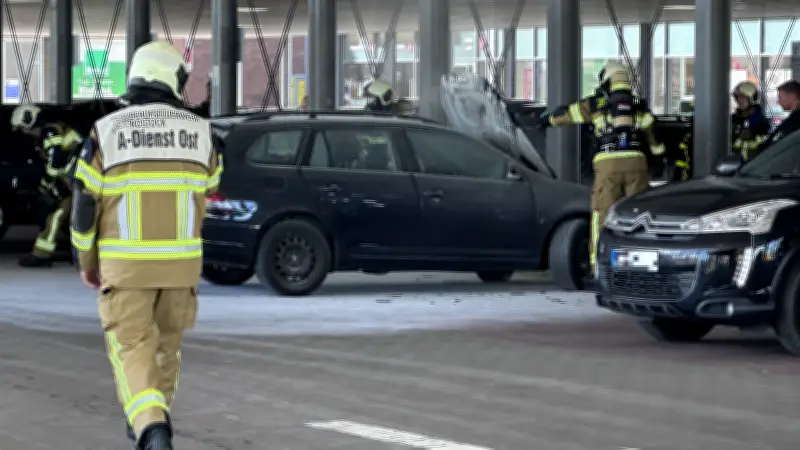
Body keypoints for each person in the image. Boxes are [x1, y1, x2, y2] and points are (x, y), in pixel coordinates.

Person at [70, 40, 222, 450]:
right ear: (172, 77)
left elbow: (84, 207)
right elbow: (210, 188)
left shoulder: (106, 132)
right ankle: (150, 420)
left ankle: (151, 427)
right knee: (166, 350)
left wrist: (86, 260)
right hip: (181, 270)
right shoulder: (202, 133)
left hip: (127, 270)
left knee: (133, 350)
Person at [537, 61, 665, 275]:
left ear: (606, 81)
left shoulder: (594, 104)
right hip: (637, 164)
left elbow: (567, 115)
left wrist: (547, 120)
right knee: (637, 213)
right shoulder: (639, 107)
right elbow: (654, 137)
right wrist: (659, 158)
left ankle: (598, 265)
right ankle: (640, 264)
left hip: (608, 164)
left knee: (601, 214)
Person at [10, 104, 84, 267]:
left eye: (23, 128)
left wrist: (48, 184)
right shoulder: (52, 130)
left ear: (29, 121)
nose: (24, 132)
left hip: (80, 181)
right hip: (76, 180)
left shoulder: (49, 132)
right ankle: (71, 255)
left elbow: (57, 159)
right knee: (64, 216)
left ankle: (43, 256)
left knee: (59, 216)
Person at [730, 81, 770, 161]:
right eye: (737, 97)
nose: (739, 100)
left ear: (752, 98)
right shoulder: (733, 119)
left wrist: (752, 135)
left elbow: (765, 146)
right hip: (734, 163)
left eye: (743, 97)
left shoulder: (761, 121)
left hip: (754, 165)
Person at [758, 79, 800, 151]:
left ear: (792, 97)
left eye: (780, 97)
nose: (778, 102)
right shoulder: (793, 119)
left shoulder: (795, 122)